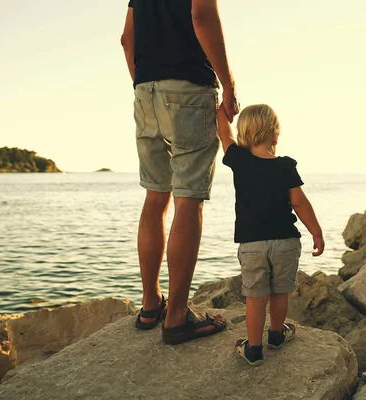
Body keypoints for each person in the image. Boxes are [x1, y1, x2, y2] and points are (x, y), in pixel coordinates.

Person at [120, 0, 239, 344]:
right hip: (189, 89)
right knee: (188, 200)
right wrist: (227, 81)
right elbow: (201, 17)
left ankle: (150, 304)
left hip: (145, 91)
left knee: (156, 196)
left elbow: (128, 39)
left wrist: (144, 86)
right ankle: (176, 317)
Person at [217, 103, 325, 365]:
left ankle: (253, 349)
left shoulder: (239, 159)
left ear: (244, 134)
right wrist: (317, 232)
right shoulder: (286, 165)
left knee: (255, 297)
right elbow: (299, 203)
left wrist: (222, 108)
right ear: (275, 135)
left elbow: (224, 133)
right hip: (286, 241)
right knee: (279, 292)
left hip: (252, 243)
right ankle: (277, 335)